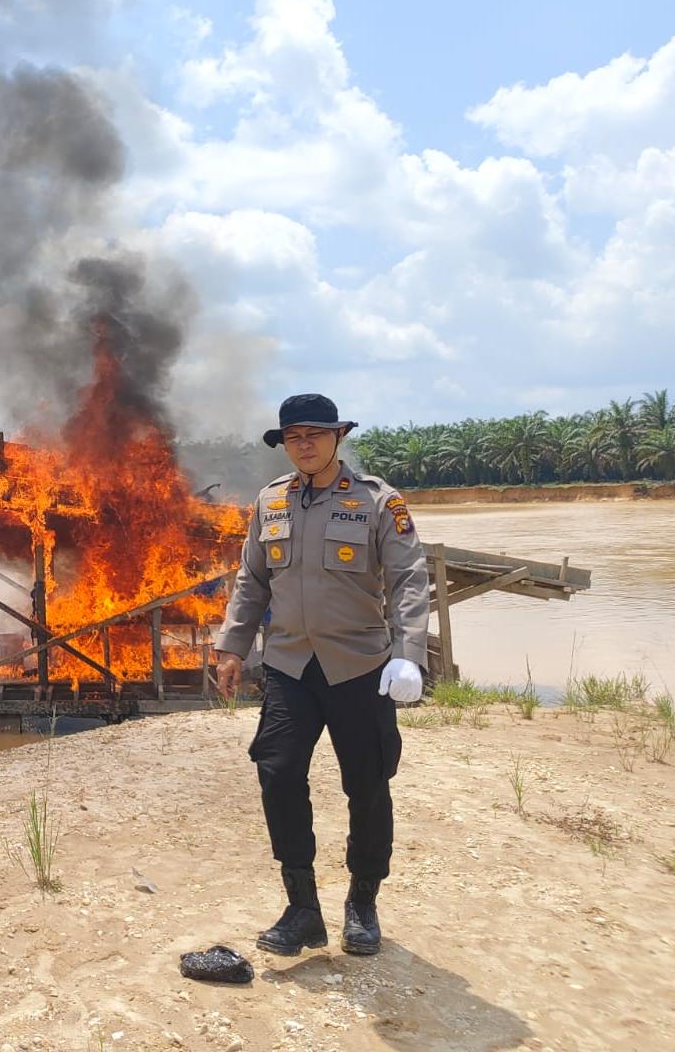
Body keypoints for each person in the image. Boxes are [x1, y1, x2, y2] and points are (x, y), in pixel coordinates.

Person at [215, 394, 428, 956]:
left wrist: (409, 653)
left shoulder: (378, 501)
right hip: (288, 665)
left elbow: (409, 577)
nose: (303, 444)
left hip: (359, 667)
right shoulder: (270, 502)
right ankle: (303, 908)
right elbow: (251, 580)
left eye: (314, 434)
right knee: (278, 773)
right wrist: (232, 647)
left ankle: (362, 902)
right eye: (293, 437)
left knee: (366, 784)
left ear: (338, 437)